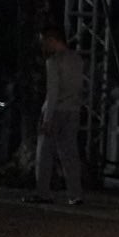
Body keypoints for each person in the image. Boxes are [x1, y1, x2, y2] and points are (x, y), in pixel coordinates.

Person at [30, 26, 86, 205]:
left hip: (55, 111)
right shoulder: (77, 59)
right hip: (73, 110)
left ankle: (43, 192)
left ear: (52, 40)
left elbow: (53, 92)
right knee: (70, 154)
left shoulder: (53, 61)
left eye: (45, 41)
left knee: (45, 153)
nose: (43, 45)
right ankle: (75, 194)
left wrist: (47, 118)